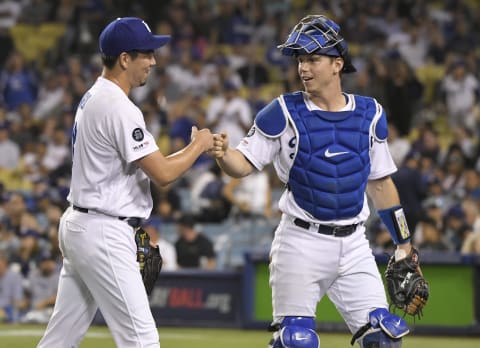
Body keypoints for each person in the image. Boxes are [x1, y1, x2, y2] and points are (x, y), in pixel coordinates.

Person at [211, 14, 419, 348]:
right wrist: (223, 154)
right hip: (300, 242)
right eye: (300, 61)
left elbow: (382, 186)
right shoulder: (282, 111)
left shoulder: (371, 114)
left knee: (384, 339)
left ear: (337, 64)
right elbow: (242, 165)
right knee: (297, 342)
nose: (303, 68)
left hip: (354, 244)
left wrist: (404, 244)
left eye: (313, 59)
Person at [37, 17, 213, 348]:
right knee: (142, 339)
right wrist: (199, 147)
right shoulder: (118, 106)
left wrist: (191, 148)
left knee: (59, 341)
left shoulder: (94, 96)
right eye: (146, 53)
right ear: (124, 58)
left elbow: (153, 166)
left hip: (83, 223)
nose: (153, 61)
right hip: (103, 229)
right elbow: (162, 174)